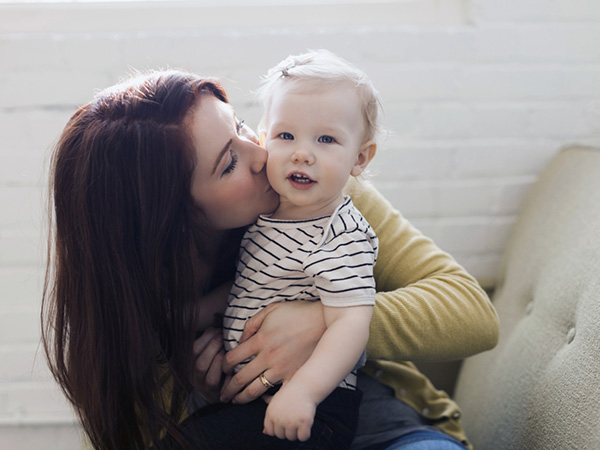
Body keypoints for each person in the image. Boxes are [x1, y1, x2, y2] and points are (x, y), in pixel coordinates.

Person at [42, 63, 498, 450]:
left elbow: (471, 311)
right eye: (228, 163)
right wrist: (209, 388)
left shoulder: (322, 192)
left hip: (390, 433)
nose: (260, 154)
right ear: (171, 219)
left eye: (240, 126)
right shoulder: (128, 330)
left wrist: (322, 324)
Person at [220, 50, 379, 447]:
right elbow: (250, 286)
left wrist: (304, 392)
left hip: (314, 406)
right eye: (285, 136)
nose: (302, 152)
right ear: (263, 140)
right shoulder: (267, 212)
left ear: (359, 158)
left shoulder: (339, 233)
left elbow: (352, 322)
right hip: (256, 397)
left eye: (326, 139)